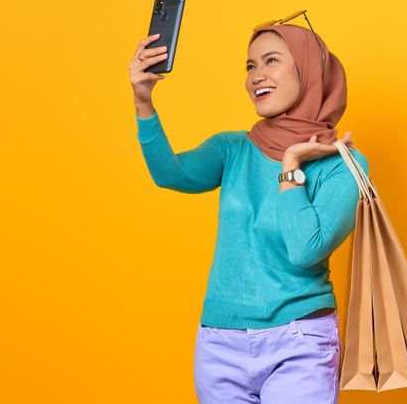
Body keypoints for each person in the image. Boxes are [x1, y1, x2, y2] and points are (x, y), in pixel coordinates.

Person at [128, 22, 368, 403]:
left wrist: (291, 165)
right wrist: (143, 101)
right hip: (220, 344)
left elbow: (305, 249)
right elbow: (169, 173)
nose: (257, 76)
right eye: (250, 66)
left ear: (308, 70)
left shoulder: (344, 164)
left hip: (299, 343)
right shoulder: (232, 149)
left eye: (271, 61)